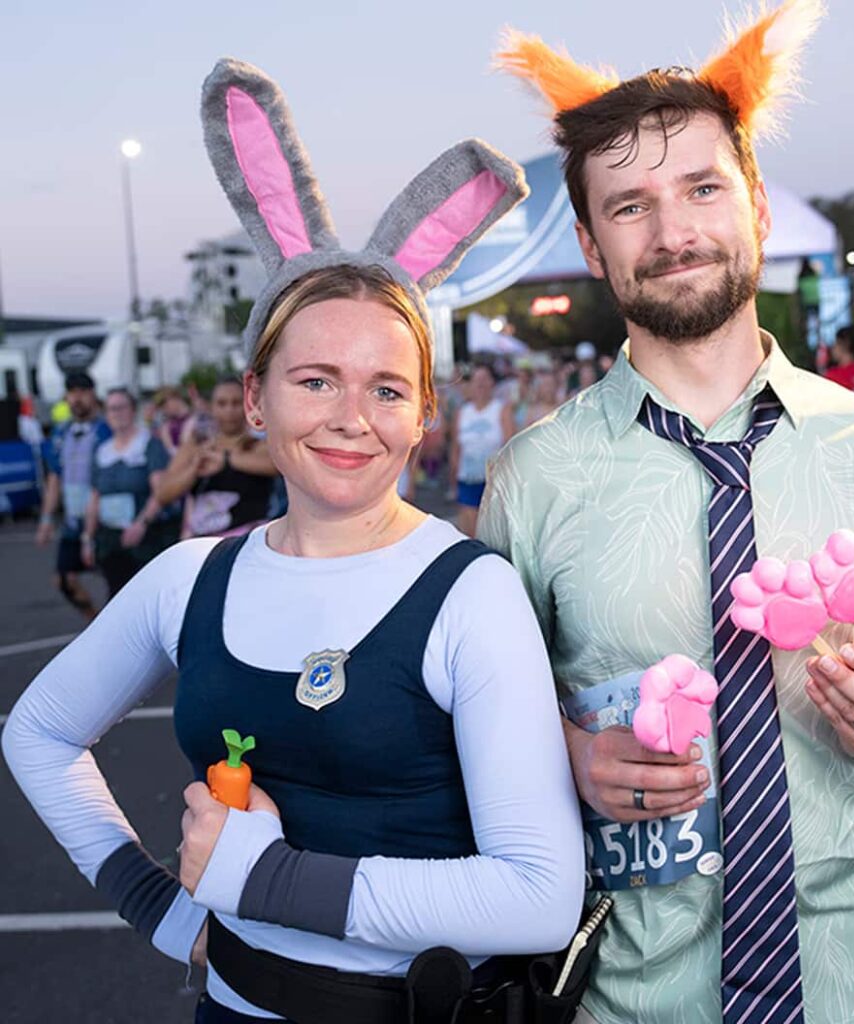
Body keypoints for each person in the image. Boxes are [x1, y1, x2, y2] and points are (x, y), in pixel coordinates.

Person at [3, 58, 585, 1024]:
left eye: (387, 389)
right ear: (255, 398)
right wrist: (158, 909)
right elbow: (38, 732)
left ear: (422, 414)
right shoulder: (190, 578)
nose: (351, 417)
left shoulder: (470, 592)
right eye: (315, 381)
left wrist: (269, 879)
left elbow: (539, 896)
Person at [488, 8, 854, 1024]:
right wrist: (568, 754)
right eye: (630, 206)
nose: (673, 233)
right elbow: (481, 717)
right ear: (589, 243)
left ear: (757, 207)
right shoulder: (534, 478)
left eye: (702, 188)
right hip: (632, 996)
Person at [81, 387, 177, 599]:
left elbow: (160, 491)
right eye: (111, 409)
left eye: (121, 407)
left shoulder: (149, 444)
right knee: (115, 596)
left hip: (144, 538)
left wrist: (141, 523)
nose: (116, 413)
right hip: (110, 539)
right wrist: (87, 537)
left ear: (133, 410)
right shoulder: (102, 451)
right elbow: (95, 496)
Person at [153, 377, 278, 538]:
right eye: (222, 404)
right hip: (204, 543)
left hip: (249, 540)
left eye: (236, 403)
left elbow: (275, 466)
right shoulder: (196, 446)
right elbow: (162, 494)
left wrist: (226, 460)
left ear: (247, 406)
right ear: (211, 407)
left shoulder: (259, 445)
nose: (229, 410)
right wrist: (193, 469)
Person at [35, 372, 111, 620]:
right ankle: (96, 623)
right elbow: (54, 477)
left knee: (114, 579)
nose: (77, 398)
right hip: (73, 520)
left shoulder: (106, 430)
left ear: (93, 394)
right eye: (72, 392)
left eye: (82, 392)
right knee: (64, 580)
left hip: (102, 519)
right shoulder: (60, 433)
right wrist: (46, 519)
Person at [449, 363, 504, 537]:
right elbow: (455, 448)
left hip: (493, 481)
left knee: (493, 533)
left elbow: (510, 446)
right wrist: (453, 481)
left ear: (492, 383)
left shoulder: (501, 409)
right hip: (468, 478)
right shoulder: (462, 412)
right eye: (476, 379)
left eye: (485, 379)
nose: (480, 384)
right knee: (469, 533)